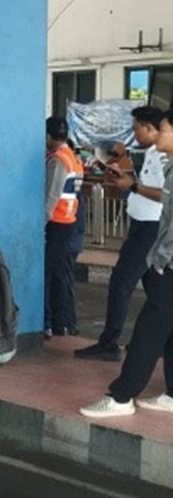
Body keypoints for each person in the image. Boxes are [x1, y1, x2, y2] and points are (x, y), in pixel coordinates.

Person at [80, 110, 173, 419]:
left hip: (167, 260)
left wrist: (161, 260)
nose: (159, 135)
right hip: (162, 254)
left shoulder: (167, 166)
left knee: (148, 328)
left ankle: (121, 396)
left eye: (162, 129)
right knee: (167, 327)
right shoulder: (164, 163)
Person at [44, 116, 84, 337]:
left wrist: (40, 223)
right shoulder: (73, 159)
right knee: (60, 274)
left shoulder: (58, 160)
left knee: (47, 275)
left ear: (49, 136)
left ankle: (47, 322)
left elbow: (51, 196)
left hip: (56, 223)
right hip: (69, 222)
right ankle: (63, 323)